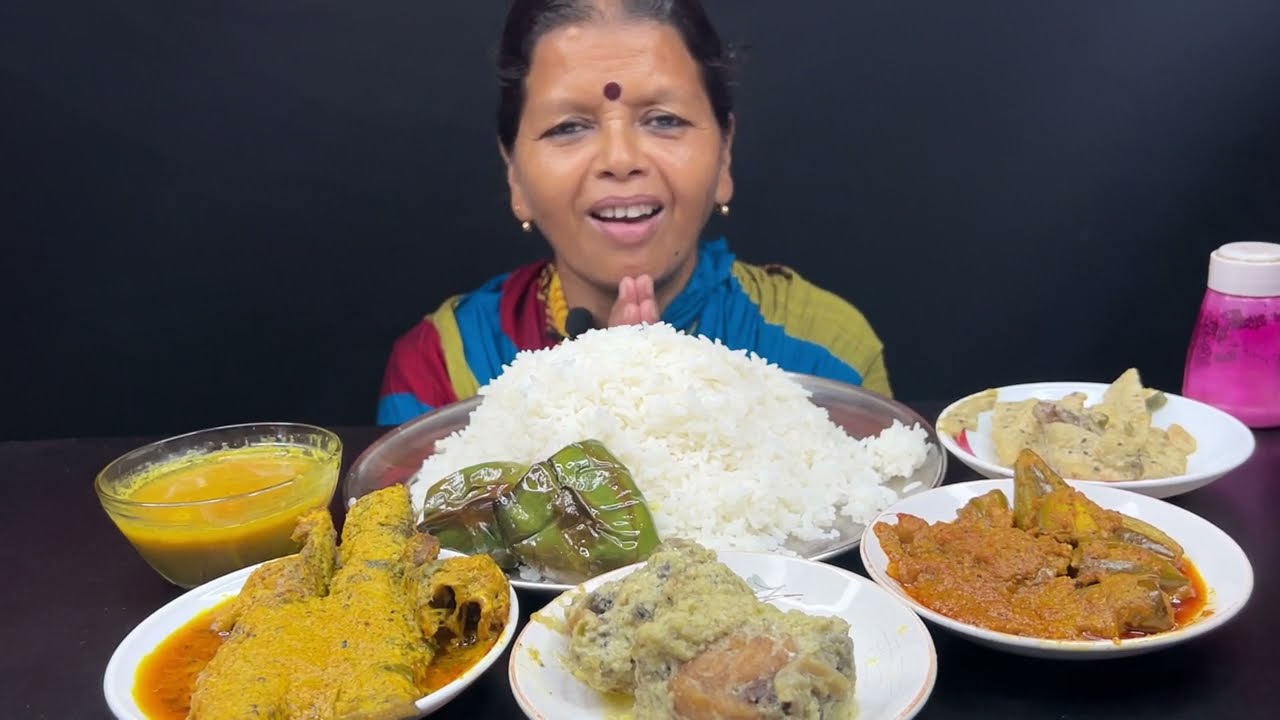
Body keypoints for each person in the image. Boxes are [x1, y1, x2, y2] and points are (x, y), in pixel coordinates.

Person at [377, 0, 892, 426]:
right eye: (568, 127)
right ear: (514, 172)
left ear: (725, 151)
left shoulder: (824, 353)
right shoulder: (444, 369)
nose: (620, 160)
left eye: (664, 120)